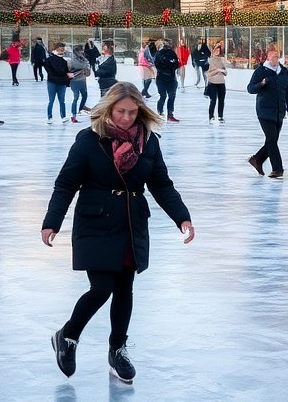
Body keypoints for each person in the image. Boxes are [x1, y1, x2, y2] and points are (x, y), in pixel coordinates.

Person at [42, 82, 194, 384]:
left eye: (132, 111)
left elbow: (161, 184)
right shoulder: (89, 140)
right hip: (95, 221)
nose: (127, 117)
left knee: (124, 289)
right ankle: (68, 335)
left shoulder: (148, 141)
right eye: (121, 111)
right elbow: (66, 184)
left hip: (130, 221)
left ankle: (117, 350)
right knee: (101, 287)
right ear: (109, 109)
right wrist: (52, 220)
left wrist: (182, 217)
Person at [247, 47, 288, 179]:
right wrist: (261, 84)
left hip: (279, 112)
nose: (275, 59)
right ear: (267, 57)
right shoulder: (261, 71)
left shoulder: (283, 72)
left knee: (272, 140)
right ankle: (277, 169)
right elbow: (250, 88)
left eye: (277, 57)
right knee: (272, 140)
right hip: (264, 112)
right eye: (272, 57)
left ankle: (257, 159)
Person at [44, 42, 72, 125]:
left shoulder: (64, 61)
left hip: (61, 83)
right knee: (51, 100)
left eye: (63, 49)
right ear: (56, 49)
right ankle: (49, 117)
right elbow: (50, 71)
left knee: (62, 101)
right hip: (52, 82)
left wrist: (67, 82)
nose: (62, 51)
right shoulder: (50, 60)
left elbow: (67, 73)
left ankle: (63, 116)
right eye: (60, 49)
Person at [153, 39, 180, 123]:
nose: (166, 45)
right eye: (165, 43)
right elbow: (157, 65)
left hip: (170, 78)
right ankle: (160, 112)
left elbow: (176, 64)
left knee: (171, 96)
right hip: (162, 78)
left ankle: (170, 114)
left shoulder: (171, 53)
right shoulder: (159, 54)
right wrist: (168, 69)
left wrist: (170, 69)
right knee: (163, 96)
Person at [67, 45, 92, 124]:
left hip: (83, 81)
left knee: (85, 95)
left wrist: (86, 69)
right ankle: (73, 115)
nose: (82, 52)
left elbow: (88, 73)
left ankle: (81, 109)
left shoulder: (84, 60)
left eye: (82, 51)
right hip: (75, 81)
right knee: (76, 97)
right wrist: (84, 68)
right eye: (80, 51)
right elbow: (70, 69)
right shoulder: (72, 60)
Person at [205, 42, 227, 124]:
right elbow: (208, 74)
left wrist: (222, 70)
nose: (217, 51)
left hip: (221, 83)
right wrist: (217, 70)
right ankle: (211, 116)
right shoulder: (210, 60)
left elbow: (225, 72)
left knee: (221, 100)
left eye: (219, 49)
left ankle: (220, 116)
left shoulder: (222, 60)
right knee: (213, 100)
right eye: (216, 49)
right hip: (212, 83)